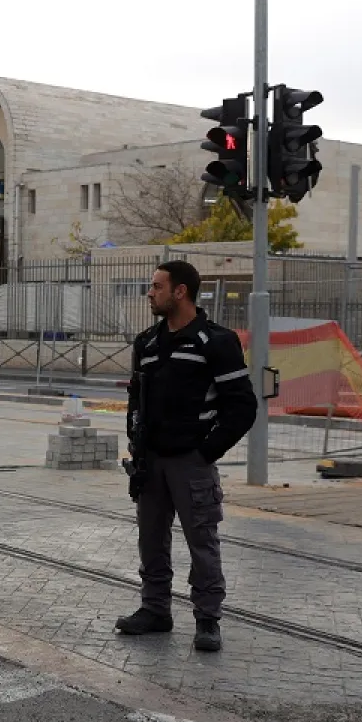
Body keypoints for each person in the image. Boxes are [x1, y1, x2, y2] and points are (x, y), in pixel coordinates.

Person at [115, 260, 256, 653]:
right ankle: (155, 610)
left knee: (202, 541)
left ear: (181, 292)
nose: (150, 292)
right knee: (151, 540)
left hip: (191, 462)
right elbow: (135, 398)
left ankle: (207, 619)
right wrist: (135, 443)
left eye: (157, 286)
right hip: (150, 461)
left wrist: (206, 451)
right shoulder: (147, 342)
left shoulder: (216, 341)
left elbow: (243, 407)